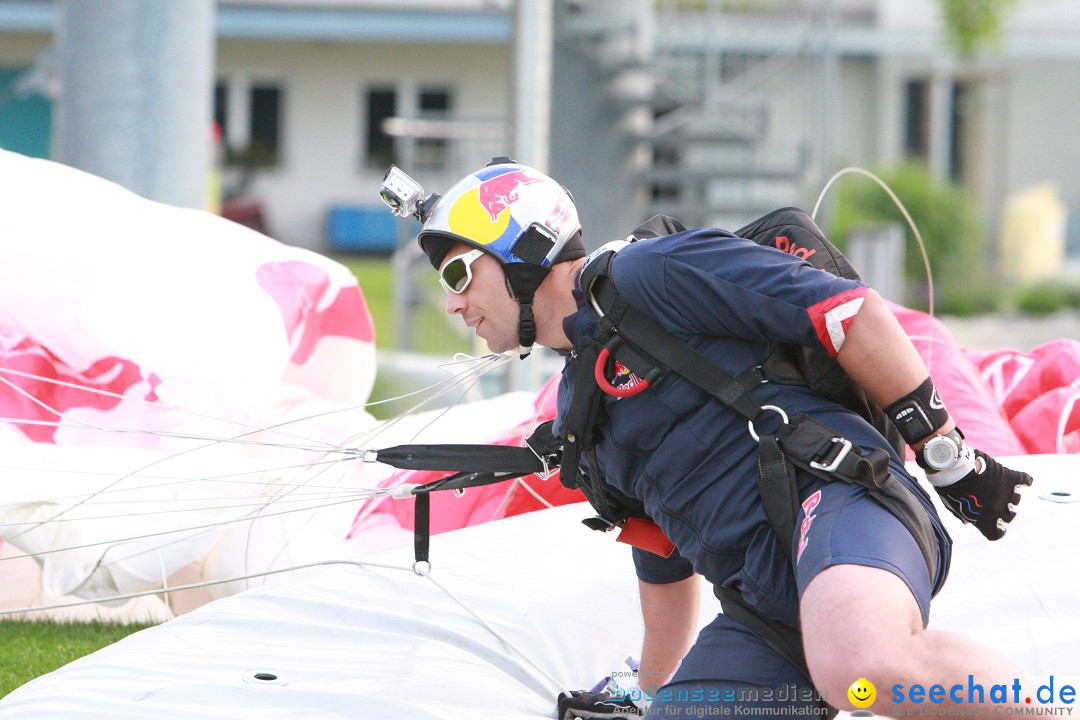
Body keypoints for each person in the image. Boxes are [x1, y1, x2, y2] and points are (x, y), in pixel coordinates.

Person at [394, 157, 1036, 719]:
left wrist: (950, 456)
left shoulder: (650, 272)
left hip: (844, 499)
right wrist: (650, 692)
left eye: (458, 276)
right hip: (768, 616)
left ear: (525, 250)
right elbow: (660, 550)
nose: (453, 305)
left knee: (862, 669)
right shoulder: (577, 408)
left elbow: (850, 313)